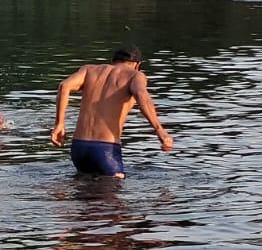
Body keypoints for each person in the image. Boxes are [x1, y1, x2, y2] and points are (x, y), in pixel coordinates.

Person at [49, 46, 174, 179]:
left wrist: (59, 124)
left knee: (84, 194)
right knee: (112, 194)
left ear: (113, 60)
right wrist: (159, 129)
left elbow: (64, 86)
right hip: (105, 149)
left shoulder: (89, 70)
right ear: (137, 64)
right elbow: (142, 95)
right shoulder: (135, 75)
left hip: (79, 148)